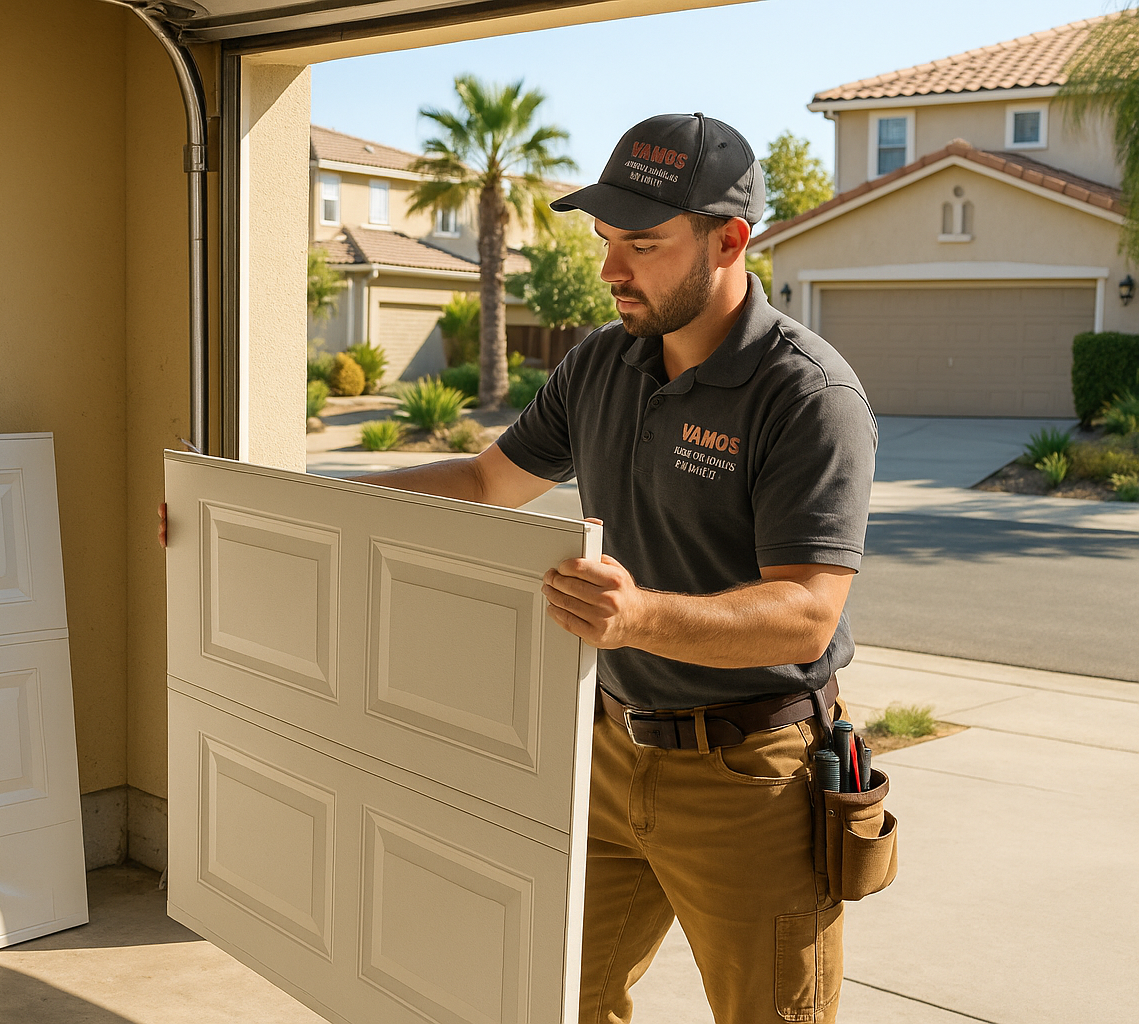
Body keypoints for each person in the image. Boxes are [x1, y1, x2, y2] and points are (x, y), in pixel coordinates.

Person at [160, 112, 876, 1023]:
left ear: (729, 241)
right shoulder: (601, 364)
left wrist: (640, 617)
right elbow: (484, 480)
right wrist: (270, 508)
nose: (611, 269)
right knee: (553, 999)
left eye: (642, 245)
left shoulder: (807, 394)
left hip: (752, 774)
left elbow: (807, 614)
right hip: (607, 749)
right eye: (605, 239)